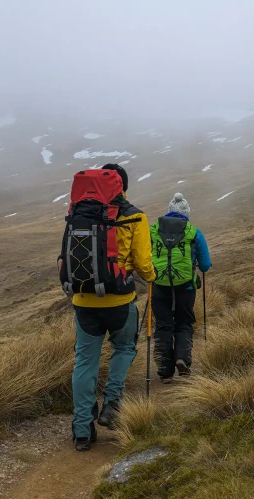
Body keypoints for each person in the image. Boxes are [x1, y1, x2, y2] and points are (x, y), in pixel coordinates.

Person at [66, 163, 155, 451]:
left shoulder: (77, 212)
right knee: (125, 348)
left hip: (83, 300)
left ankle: (82, 429)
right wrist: (152, 277)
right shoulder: (135, 216)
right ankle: (112, 405)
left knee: (85, 361)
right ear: (123, 186)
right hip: (119, 299)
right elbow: (142, 264)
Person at [150, 193, 211, 382]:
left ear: (169, 211)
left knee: (163, 325)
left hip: (159, 286)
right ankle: (182, 358)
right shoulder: (194, 232)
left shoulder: (153, 230)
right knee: (184, 323)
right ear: (187, 213)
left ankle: (164, 371)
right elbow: (205, 265)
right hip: (186, 287)